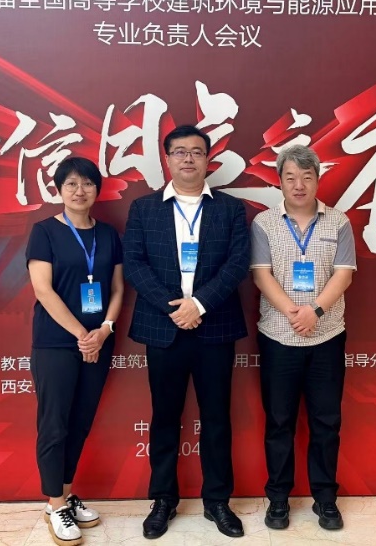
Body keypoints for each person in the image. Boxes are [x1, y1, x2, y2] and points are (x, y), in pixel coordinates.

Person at [123, 125, 251, 539]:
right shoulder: (144, 209)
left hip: (215, 326)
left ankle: (218, 501)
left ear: (208, 159)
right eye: (180, 152)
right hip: (165, 328)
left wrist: (199, 304)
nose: (188, 158)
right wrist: (174, 307)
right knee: (164, 416)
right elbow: (135, 264)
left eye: (197, 151)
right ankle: (163, 499)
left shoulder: (230, 209)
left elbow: (237, 262)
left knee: (216, 417)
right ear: (167, 159)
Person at [249, 145, 356, 531]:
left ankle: (325, 499)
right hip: (279, 336)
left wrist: (315, 312)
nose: (299, 185)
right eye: (290, 177)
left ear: (317, 180)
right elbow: (261, 274)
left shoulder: (339, 221)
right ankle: (278, 498)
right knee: (279, 421)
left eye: (306, 177)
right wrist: (294, 313)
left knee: (326, 421)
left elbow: (343, 274)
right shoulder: (264, 223)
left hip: (326, 336)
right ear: (279, 181)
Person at [25, 156, 124, 546]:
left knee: (80, 422)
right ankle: (54, 505)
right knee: (54, 424)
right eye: (71, 184)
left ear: (97, 189)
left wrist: (104, 330)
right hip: (56, 342)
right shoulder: (45, 232)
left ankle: (64, 495)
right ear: (59, 190)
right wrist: (83, 334)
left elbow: (117, 288)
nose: (79, 191)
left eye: (86, 183)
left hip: (99, 340)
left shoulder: (109, 235)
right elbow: (42, 290)